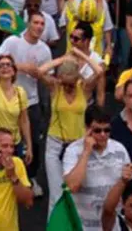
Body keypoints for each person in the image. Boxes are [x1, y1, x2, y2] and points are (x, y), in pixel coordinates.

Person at [36, 50, 103, 214]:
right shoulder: (55, 88)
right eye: (64, 83)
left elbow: (99, 71)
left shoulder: (84, 88)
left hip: (77, 145)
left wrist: (81, 55)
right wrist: (62, 59)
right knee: (56, 194)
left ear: (77, 79)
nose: (67, 87)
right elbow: (39, 71)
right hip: (55, 144)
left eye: (70, 84)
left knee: (76, 193)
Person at [0, 12, 54, 194]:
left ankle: (31, 177)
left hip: (31, 99)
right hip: (7, 97)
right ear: (28, 24)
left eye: (42, 24)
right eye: (36, 22)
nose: (39, 26)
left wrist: (40, 75)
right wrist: (20, 67)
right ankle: (2, 175)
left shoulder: (45, 50)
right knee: (5, 140)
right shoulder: (13, 42)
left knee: (33, 141)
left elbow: (49, 80)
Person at [63, 104, 131, 231]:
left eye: (107, 130)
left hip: (111, 226)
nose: (103, 135)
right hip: (80, 225)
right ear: (87, 129)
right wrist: (86, 151)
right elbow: (72, 186)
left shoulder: (120, 150)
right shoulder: (73, 151)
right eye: (97, 130)